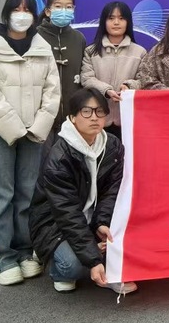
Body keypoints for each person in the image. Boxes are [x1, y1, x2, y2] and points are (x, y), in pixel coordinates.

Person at [0, 0, 60, 286]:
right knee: (2, 196)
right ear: (7, 13)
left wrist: (38, 126)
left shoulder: (42, 48)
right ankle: (2, 258)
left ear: (35, 15)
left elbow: (52, 91)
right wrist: (12, 126)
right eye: (16, 9)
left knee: (26, 195)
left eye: (27, 10)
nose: (22, 15)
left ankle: (24, 252)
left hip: (33, 132)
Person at [29, 88, 135, 295]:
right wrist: (94, 258)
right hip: (55, 224)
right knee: (73, 267)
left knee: (124, 247)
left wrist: (101, 223)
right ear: (72, 117)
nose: (94, 117)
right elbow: (66, 213)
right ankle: (56, 266)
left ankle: (104, 266)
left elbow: (111, 193)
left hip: (91, 219)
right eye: (86, 111)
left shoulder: (112, 145)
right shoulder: (59, 156)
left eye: (100, 111)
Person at [80, 1, 146, 137]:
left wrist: (129, 86)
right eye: (111, 18)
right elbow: (87, 78)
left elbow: (144, 80)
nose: (116, 22)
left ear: (128, 22)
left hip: (128, 120)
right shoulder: (91, 51)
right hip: (97, 119)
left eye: (121, 18)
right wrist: (106, 90)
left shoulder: (140, 52)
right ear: (104, 22)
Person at [37, 0, 87, 119]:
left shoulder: (79, 38)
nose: (64, 11)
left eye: (68, 7)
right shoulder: (35, 36)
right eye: (58, 6)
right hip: (40, 111)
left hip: (72, 112)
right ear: (48, 11)